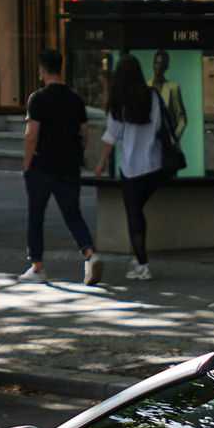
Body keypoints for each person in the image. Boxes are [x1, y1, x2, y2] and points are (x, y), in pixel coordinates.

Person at [20, 47, 98, 286]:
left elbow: (31, 135)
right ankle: (91, 256)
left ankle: (37, 267)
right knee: (73, 215)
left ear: (42, 70)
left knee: (36, 217)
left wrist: (26, 165)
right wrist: (75, 155)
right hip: (69, 168)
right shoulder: (75, 99)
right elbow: (85, 134)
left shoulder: (38, 98)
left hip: (42, 166)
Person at [94, 53, 166, 283]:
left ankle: (142, 264)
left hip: (131, 169)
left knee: (134, 215)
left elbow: (111, 137)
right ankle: (138, 260)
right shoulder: (152, 96)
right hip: (154, 166)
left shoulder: (118, 101)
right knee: (138, 212)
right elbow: (158, 127)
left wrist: (101, 163)